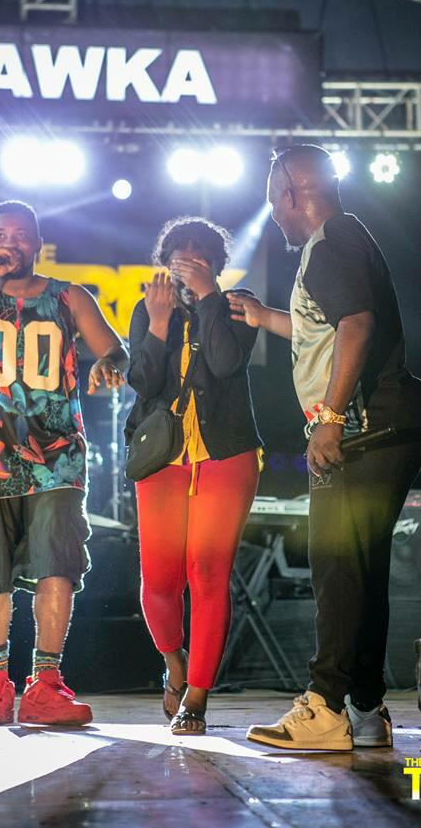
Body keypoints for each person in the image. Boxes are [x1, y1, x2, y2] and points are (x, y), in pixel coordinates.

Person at [227, 145, 421, 751]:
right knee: (361, 570)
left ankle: (323, 706)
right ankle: (366, 709)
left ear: (294, 193)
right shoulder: (343, 240)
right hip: (387, 427)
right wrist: (263, 317)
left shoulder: (331, 243)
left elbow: (356, 326)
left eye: (274, 202)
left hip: (365, 429)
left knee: (336, 567)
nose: (274, 216)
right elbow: (326, 324)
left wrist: (332, 418)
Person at [0, 200, 128, 725]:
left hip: (56, 457)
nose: (7, 242)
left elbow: (116, 349)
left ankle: (46, 684)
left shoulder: (68, 296)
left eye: (18, 234)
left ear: (36, 244)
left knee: (58, 562)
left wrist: (108, 364)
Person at [126, 216, 263, 735]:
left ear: (216, 263)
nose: (188, 263)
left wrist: (208, 297)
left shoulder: (237, 306)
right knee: (158, 582)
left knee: (207, 574)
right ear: (164, 264)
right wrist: (159, 323)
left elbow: (225, 363)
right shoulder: (147, 308)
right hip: (162, 458)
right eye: (178, 256)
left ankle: (198, 697)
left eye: (199, 255)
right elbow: (143, 382)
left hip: (225, 455)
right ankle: (174, 661)